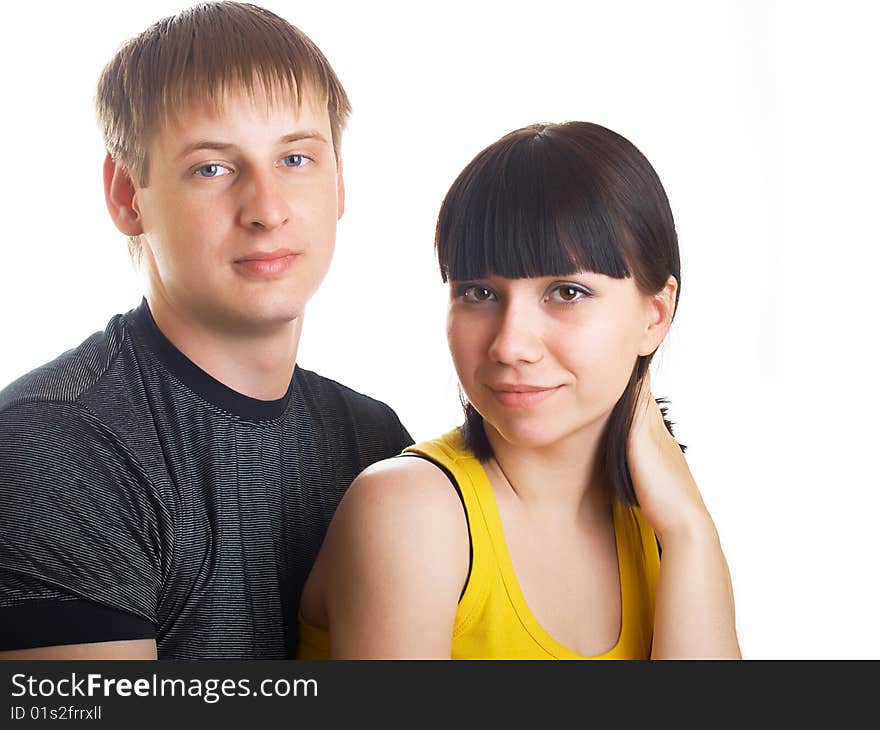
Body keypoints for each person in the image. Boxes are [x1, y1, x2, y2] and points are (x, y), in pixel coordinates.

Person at [0, 2, 412, 659]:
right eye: (212, 168)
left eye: (297, 159)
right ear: (126, 195)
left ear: (340, 184)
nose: (268, 209)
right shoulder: (55, 443)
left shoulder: (373, 439)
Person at [297, 122, 741, 659]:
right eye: (479, 292)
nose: (510, 345)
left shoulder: (662, 525)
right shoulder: (411, 513)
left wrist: (691, 533)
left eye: (566, 292)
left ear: (656, 313)